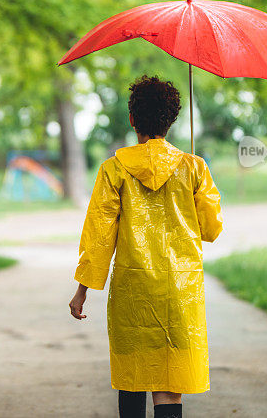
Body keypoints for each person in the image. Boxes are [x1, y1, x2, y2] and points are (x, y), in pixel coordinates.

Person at [68, 75, 223, 418]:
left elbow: (99, 237)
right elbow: (211, 230)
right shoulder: (194, 168)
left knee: (133, 380)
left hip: (132, 293)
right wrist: (198, 188)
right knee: (168, 389)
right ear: (171, 120)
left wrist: (82, 291)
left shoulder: (114, 170)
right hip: (179, 295)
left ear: (132, 118)